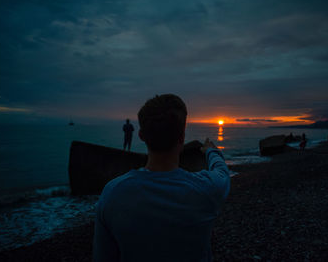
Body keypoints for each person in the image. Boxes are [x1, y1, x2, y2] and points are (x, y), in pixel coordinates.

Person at [93, 94, 230, 262]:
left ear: (141, 135)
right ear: (181, 137)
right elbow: (222, 173)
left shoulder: (112, 194)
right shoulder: (207, 189)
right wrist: (211, 150)